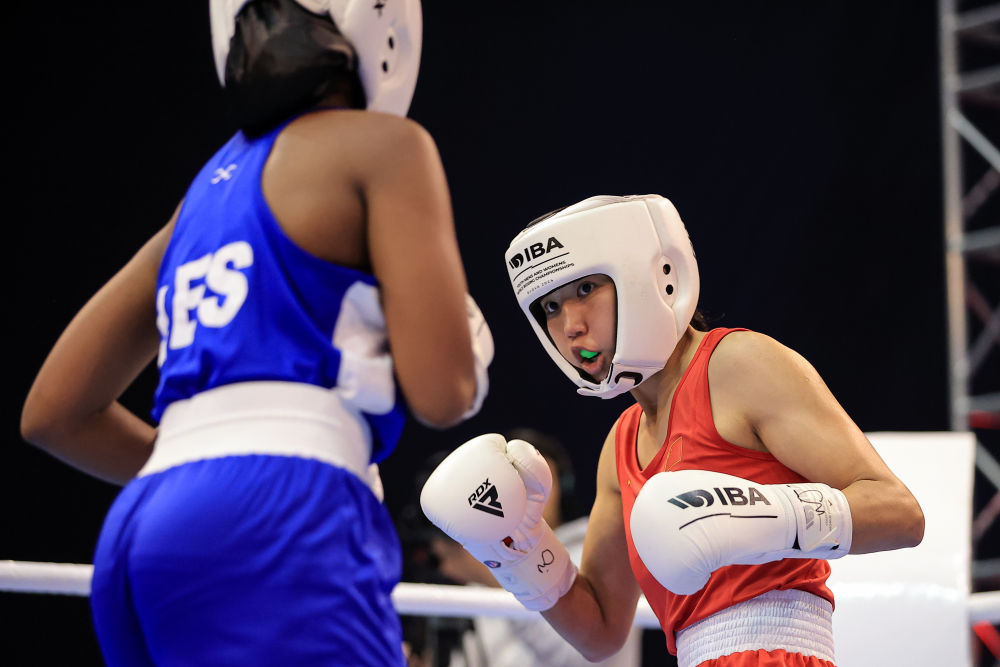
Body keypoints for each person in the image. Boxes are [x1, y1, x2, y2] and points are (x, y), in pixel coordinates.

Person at [19, 1, 493, 665]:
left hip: (145, 526)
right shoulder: (385, 147)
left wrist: (205, 465)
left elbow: (53, 415)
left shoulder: (201, 198)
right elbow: (442, 394)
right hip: (286, 510)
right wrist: (457, 352)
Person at [420, 194, 925, 667]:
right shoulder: (620, 447)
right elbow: (601, 633)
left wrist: (762, 515)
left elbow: (901, 513)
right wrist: (522, 553)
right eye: (551, 307)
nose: (570, 325)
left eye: (585, 289)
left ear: (648, 275)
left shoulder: (737, 365)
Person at [425, 428, 641, 667]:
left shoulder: (595, 546)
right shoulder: (486, 561)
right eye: (511, 482)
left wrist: (501, 575)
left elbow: (584, 656)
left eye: (527, 480)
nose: (518, 494)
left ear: (561, 486)